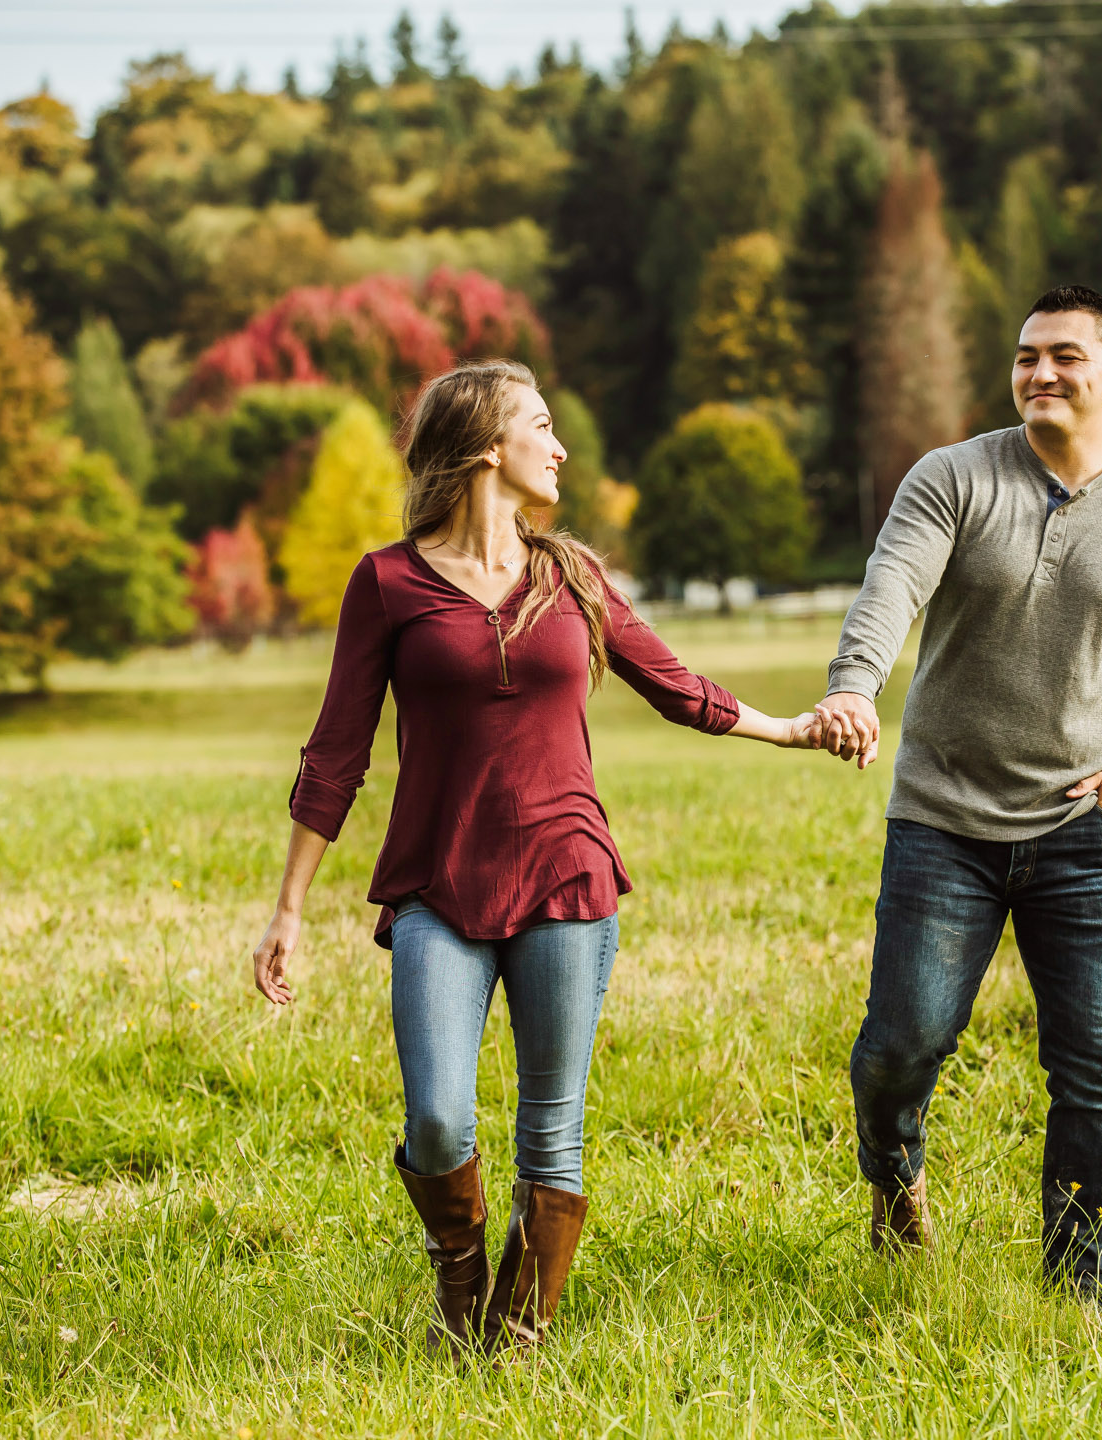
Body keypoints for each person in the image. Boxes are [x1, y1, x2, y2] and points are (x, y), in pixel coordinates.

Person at [247, 360, 824, 1355]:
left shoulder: (572, 577)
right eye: (542, 427)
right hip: (438, 884)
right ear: (485, 448)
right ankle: (463, 1282)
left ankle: (518, 1340)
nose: (560, 450)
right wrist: (289, 907)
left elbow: (677, 685)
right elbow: (335, 751)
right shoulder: (386, 583)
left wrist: (795, 730)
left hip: (567, 874)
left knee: (551, 1126)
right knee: (436, 1120)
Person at [813, 286, 1102, 1300]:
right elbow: (891, 592)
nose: (1039, 374)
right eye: (1024, 358)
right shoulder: (954, 479)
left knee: (1092, 1074)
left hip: (1088, 837)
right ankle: (895, 1176)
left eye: (1063, 357)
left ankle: (1075, 1294)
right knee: (899, 1046)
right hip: (943, 824)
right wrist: (853, 686)